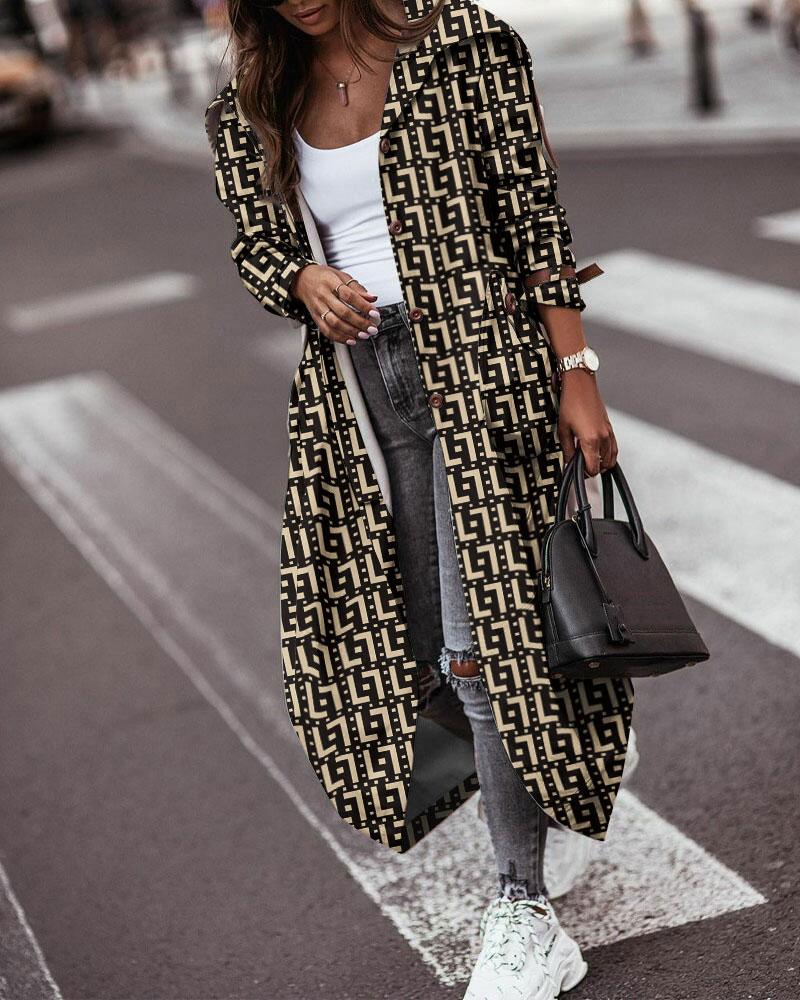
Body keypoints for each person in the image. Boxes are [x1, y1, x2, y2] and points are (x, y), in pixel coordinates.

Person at [205, 1, 634, 996]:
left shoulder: (465, 43)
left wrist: (575, 370)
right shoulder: (251, 101)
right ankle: (556, 731)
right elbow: (251, 243)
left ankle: (522, 909)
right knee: (417, 647)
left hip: (482, 373)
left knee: (475, 648)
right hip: (362, 398)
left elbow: (533, 213)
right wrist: (300, 277)